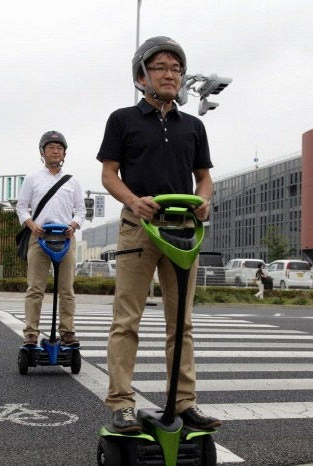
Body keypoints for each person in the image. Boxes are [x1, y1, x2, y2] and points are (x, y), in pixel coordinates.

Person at [97, 36, 221, 432]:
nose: (171, 74)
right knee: (126, 319)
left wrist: (203, 202)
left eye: (176, 68)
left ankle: (184, 402)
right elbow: (108, 175)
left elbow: (204, 179)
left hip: (184, 229)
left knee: (181, 323)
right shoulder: (123, 120)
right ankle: (121, 403)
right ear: (141, 76)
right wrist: (134, 201)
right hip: (139, 228)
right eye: (161, 67)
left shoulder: (194, 126)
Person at [16, 130, 86, 348]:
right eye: (50, 148)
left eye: (59, 148)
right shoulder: (32, 178)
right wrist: (32, 225)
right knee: (35, 288)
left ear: (64, 153)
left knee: (67, 289)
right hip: (40, 237)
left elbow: (81, 210)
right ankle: (30, 333)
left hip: (65, 238)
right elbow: (21, 207)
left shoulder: (72, 181)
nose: (55, 151)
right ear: (42, 152)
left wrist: (73, 226)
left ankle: (67, 332)